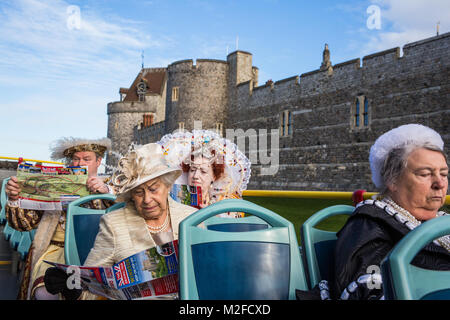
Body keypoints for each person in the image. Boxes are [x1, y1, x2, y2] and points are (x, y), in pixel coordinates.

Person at [297, 123, 450, 300]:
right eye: (425, 174)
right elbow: (367, 291)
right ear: (392, 180)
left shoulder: (441, 224)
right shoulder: (369, 227)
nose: (440, 183)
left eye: (444, 174)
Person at [45, 143, 198, 300]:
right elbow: (90, 287)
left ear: (168, 186)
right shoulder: (113, 223)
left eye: (153, 189)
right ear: (131, 195)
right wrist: (73, 287)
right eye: (138, 192)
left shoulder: (192, 219)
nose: (147, 199)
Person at [4, 137, 113, 300]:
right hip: (55, 250)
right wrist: (14, 198)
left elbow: (126, 212)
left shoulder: (111, 185)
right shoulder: (53, 184)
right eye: (76, 159)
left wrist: (106, 191)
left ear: (98, 161)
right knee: (45, 293)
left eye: (86, 159)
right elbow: (23, 224)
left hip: (98, 253)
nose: (79, 163)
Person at [158, 129, 251, 216]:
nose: (195, 176)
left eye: (203, 171)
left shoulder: (223, 204)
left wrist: (210, 214)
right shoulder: (176, 196)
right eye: (193, 170)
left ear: (214, 176)